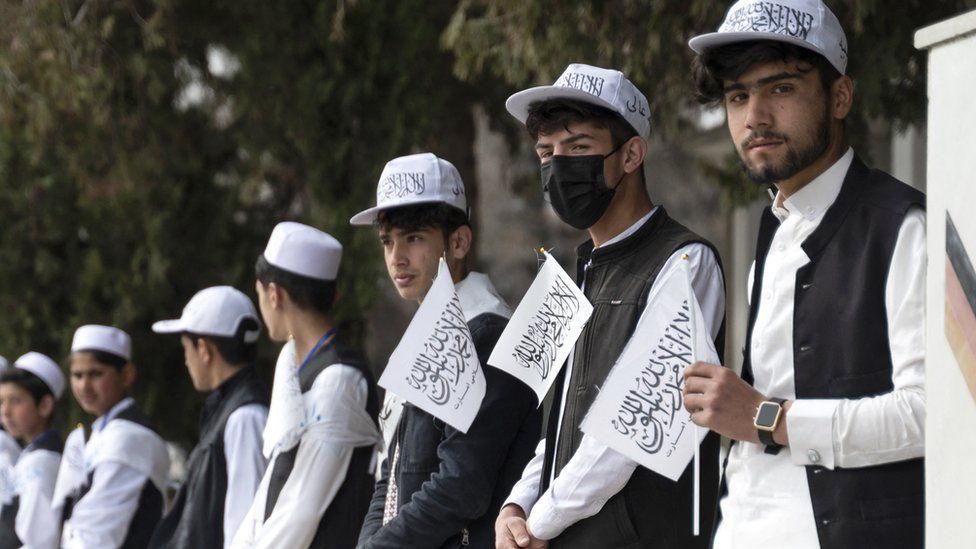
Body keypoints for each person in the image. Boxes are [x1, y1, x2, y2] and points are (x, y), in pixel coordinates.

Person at [683, 1, 926, 548]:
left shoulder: (903, 228)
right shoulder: (774, 226)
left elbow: (933, 412)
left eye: (781, 88)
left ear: (840, 96)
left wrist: (767, 417)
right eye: (738, 97)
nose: (755, 117)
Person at [495, 64, 727, 549]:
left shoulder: (685, 262)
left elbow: (629, 430)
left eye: (578, 147)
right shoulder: (577, 271)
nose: (558, 166)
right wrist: (517, 504)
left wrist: (540, 523)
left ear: (631, 154)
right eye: (546, 152)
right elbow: (560, 422)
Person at [351, 153, 541, 549]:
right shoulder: (423, 336)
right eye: (388, 241)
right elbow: (392, 472)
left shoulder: (483, 332)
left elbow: (461, 483)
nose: (396, 257)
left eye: (414, 238)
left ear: (459, 241)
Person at [231, 222, 382, 549]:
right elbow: (274, 480)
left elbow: (302, 509)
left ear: (274, 294)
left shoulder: (339, 379)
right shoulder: (295, 364)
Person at [149, 287, 269, 548]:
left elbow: (244, 529)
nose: (185, 361)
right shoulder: (230, 410)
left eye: (186, 349)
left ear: (203, 349)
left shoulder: (245, 416)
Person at [58, 325, 170, 548]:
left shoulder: (129, 437)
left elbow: (96, 537)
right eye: (77, 375)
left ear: (127, 374)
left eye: (96, 374)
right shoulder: (104, 432)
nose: (84, 386)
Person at [0, 352, 64, 548]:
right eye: (1, 401)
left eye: (16, 401)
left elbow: (39, 541)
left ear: (44, 405)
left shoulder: (42, 461)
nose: (5, 412)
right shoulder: (32, 455)